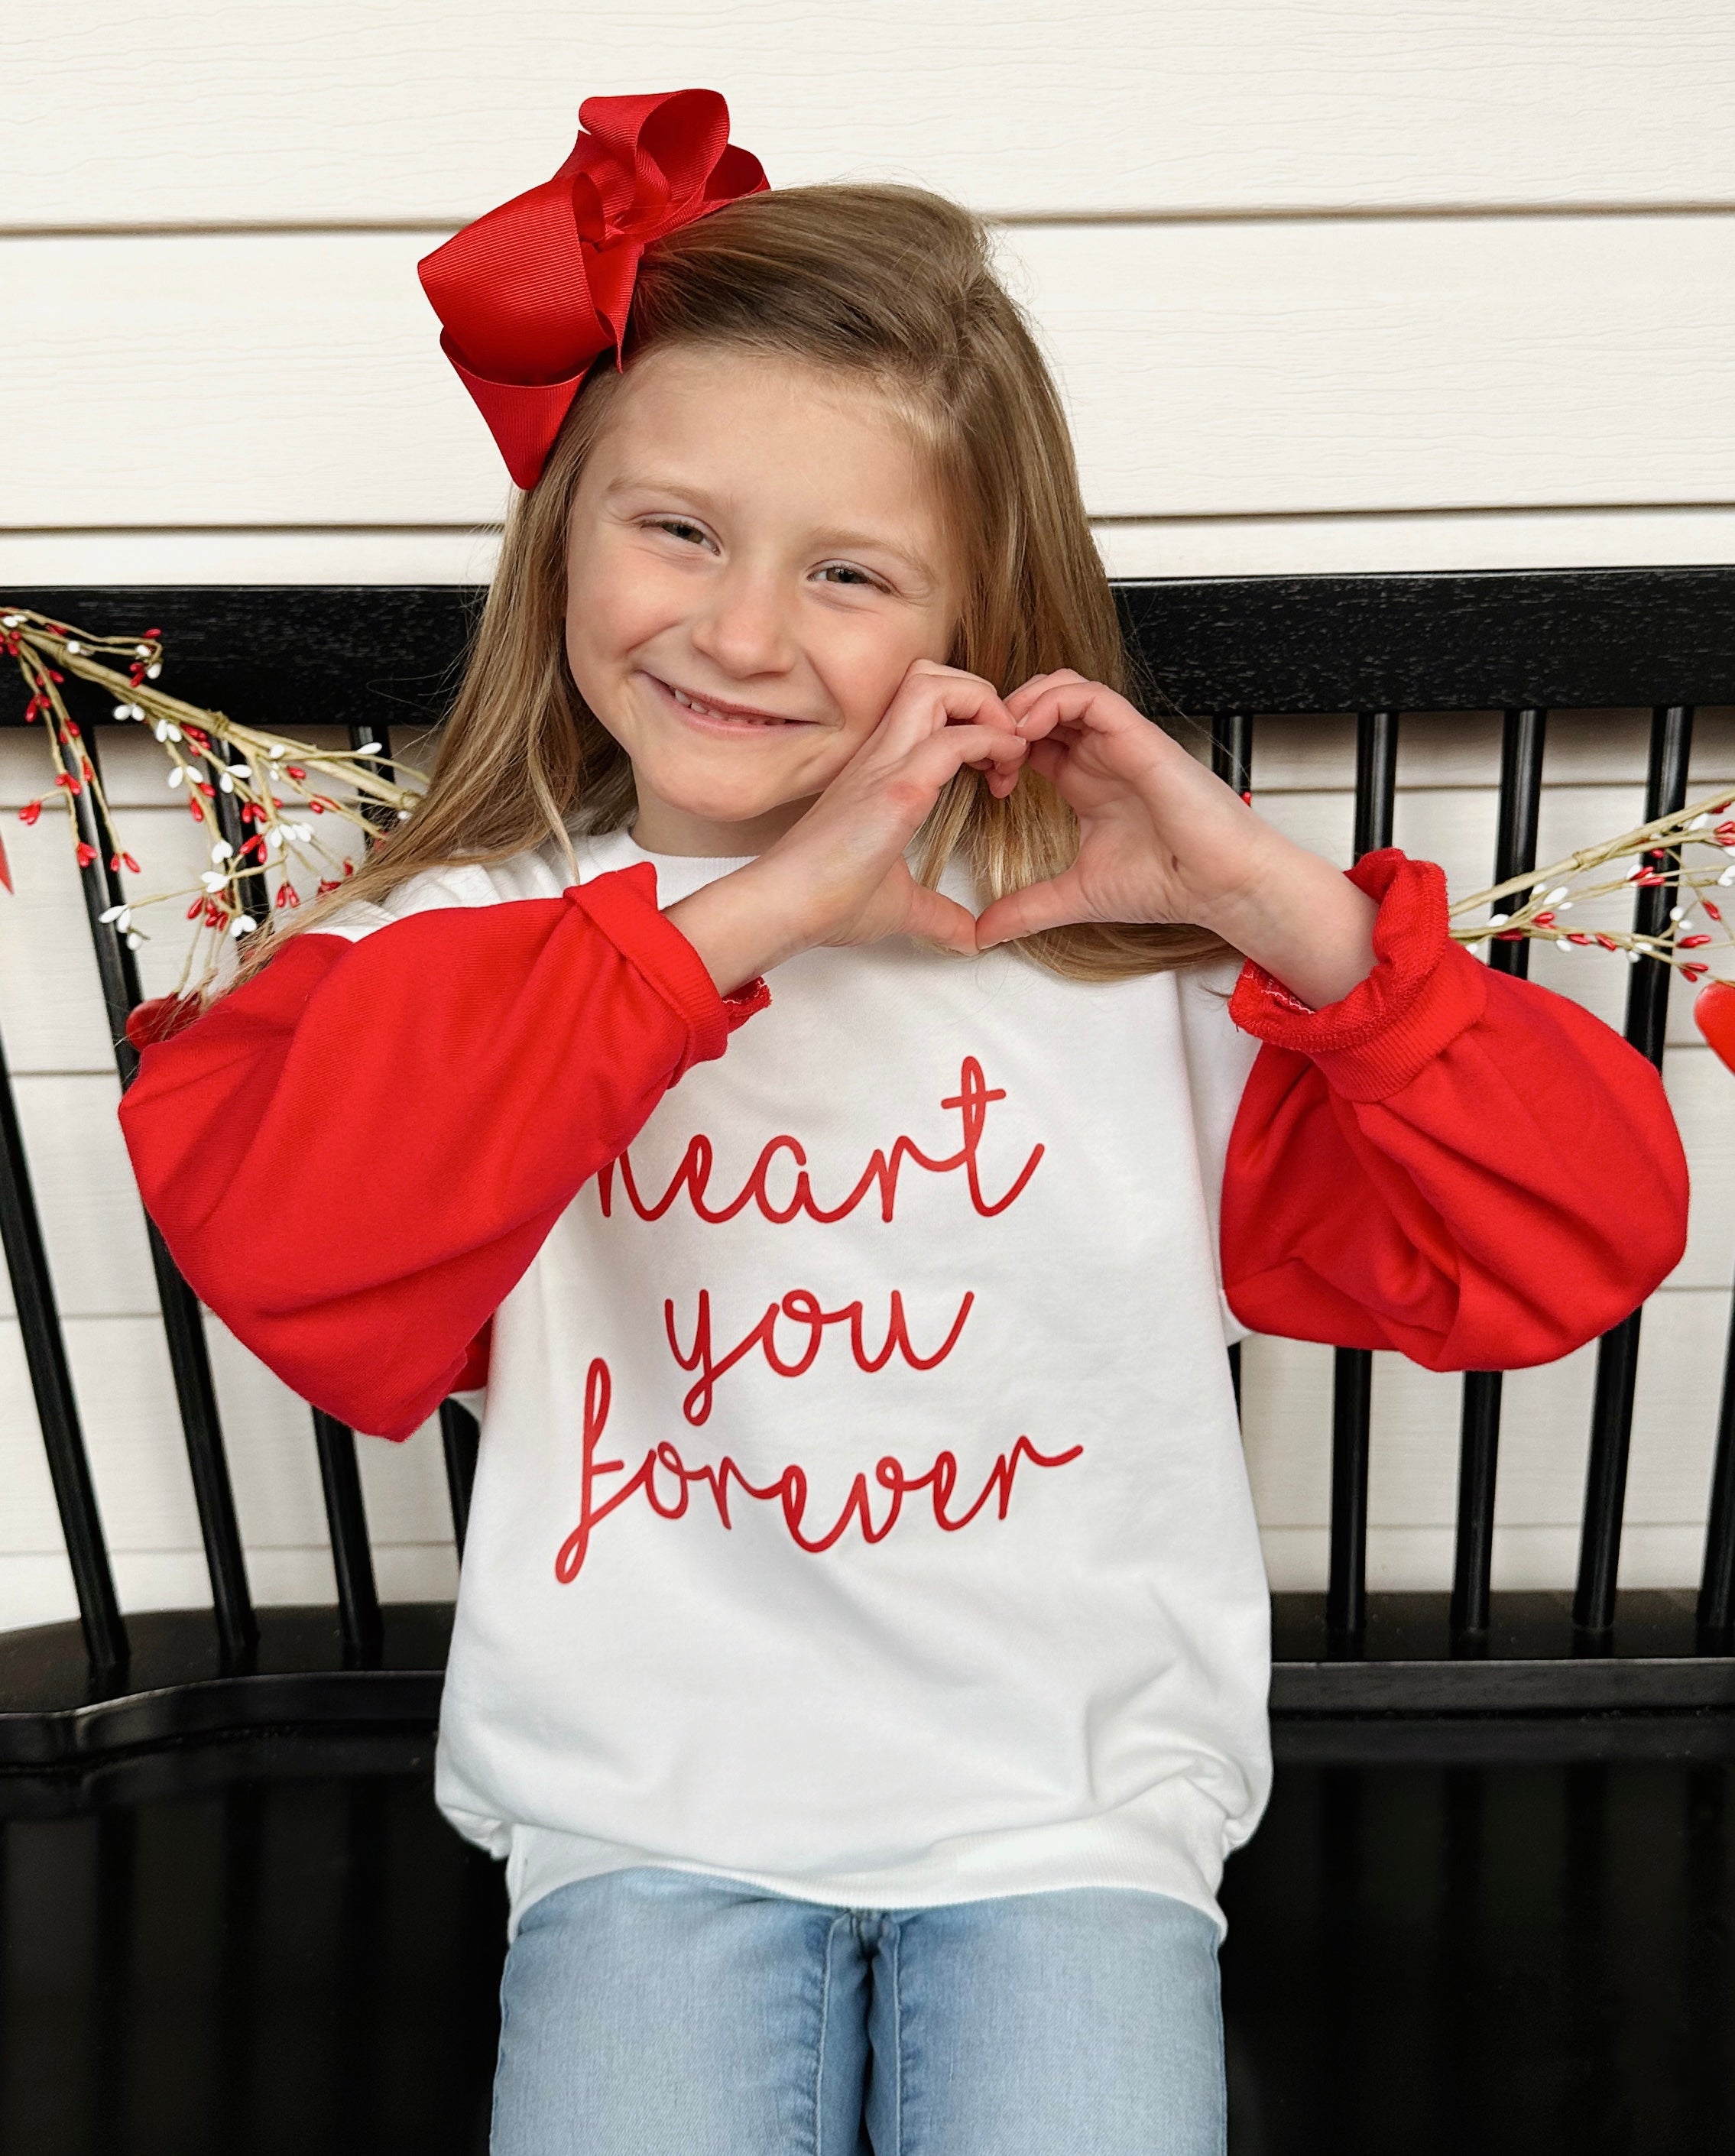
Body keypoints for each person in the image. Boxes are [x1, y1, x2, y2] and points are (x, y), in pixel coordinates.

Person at [118, 89, 1688, 2156]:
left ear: (977, 625)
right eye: (676, 528)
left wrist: (1277, 902)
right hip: (638, 1814)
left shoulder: (1130, 983)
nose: (741, 632)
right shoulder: (456, 954)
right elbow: (301, 1248)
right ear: (562, 523)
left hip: (1071, 1817)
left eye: (849, 571)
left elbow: (1578, 1237)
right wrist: (753, 918)